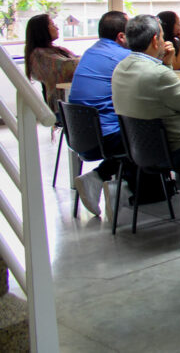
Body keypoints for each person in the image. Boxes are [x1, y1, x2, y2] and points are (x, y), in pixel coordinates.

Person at [111, 14, 180, 169]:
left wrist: (166, 65)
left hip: (139, 148)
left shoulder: (120, 67)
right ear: (154, 40)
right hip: (176, 149)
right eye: (162, 37)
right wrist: (166, 69)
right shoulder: (158, 73)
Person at [68, 11, 133, 217]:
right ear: (121, 37)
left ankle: (107, 180)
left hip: (80, 135)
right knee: (151, 131)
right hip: (105, 137)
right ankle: (110, 182)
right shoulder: (123, 57)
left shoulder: (90, 52)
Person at [23, 13, 79, 114]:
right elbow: (68, 67)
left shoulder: (59, 50)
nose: (57, 28)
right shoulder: (38, 55)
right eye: (52, 25)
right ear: (42, 30)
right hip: (62, 107)